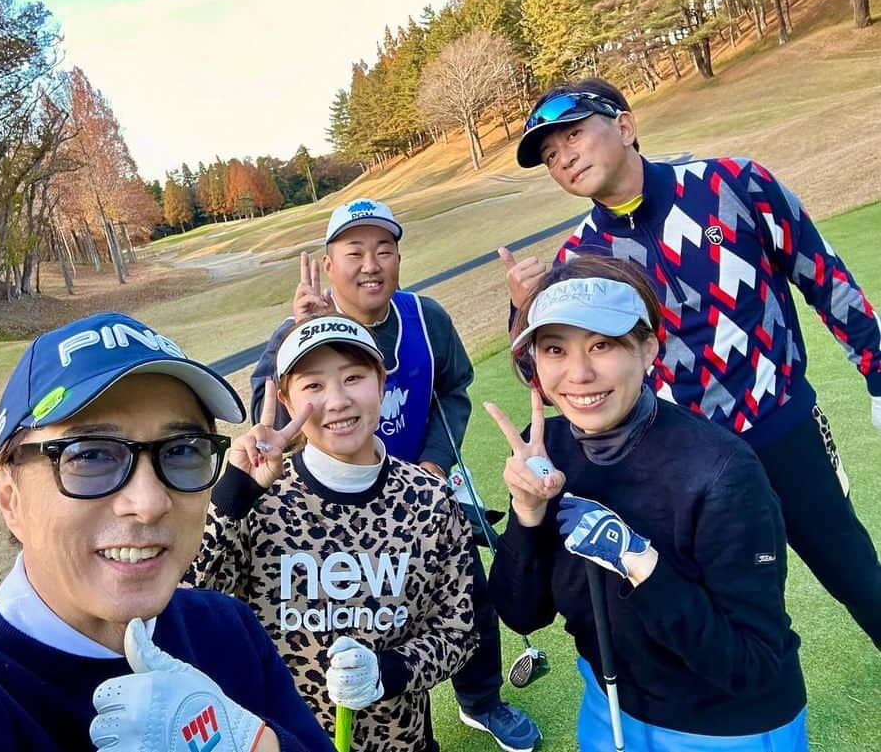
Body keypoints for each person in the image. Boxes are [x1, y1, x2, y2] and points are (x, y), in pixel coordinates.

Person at [0, 312, 333, 752]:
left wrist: (247, 745)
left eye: (182, 451)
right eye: (90, 456)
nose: (148, 503)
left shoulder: (228, 630)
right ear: (9, 495)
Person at [501, 77, 881, 648]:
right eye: (551, 156)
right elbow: (551, 380)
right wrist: (521, 308)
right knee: (726, 615)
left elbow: (822, 276)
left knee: (854, 573)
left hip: (785, 431)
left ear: (625, 126)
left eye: (573, 135)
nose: (563, 159)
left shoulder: (735, 184)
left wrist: (876, 371)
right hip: (687, 465)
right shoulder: (577, 260)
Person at [249, 198, 541, 752]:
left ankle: (481, 701)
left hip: (419, 494)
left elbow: (453, 390)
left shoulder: (426, 318)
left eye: (384, 250)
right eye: (353, 251)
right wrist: (299, 331)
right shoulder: (297, 330)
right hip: (330, 508)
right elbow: (270, 420)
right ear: (330, 266)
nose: (371, 264)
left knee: (467, 595)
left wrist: (433, 463)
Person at [487, 254, 808, 751]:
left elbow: (752, 665)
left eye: (602, 344)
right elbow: (522, 615)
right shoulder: (546, 450)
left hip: (727, 725)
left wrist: (640, 562)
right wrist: (527, 517)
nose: (579, 373)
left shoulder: (723, 472)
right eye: (555, 349)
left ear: (647, 348)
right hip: (609, 705)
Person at [192, 313, 478, 752]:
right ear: (286, 399)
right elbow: (190, 600)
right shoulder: (260, 498)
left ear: (381, 383)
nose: (338, 400)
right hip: (283, 740)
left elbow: (458, 631)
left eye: (353, 377)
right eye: (313, 386)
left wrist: (389, 671)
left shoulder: (430, 499)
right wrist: (233, 495)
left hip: (402, 742)